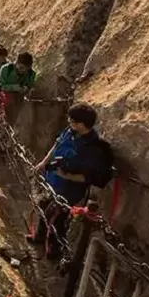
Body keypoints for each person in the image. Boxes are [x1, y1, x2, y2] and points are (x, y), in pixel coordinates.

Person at [27, 103, 112, 259]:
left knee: (57, 218)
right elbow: (56, 145)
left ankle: (54, 248)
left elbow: (89, 177)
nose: (69, 122)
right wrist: (44, 163)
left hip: (69, 190)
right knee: (44, 206)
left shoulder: (93, 149)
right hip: (54, 182)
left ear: (81, 124)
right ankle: (39, 236)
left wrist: (68, 176)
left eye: (72, 120)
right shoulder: (70, 132)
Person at [0, 51, 39, 127]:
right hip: (5, 96)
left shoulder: (31, 74)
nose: (23, 71)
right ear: (16, 63)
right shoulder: (6, 69)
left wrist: (28, 89)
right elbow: (0, 86)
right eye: (21, 67)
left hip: (20, 98)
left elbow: (31, 86)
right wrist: (15, 87)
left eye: (26, 69)